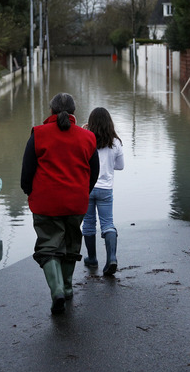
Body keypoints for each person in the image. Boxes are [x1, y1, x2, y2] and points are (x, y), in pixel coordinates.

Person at [20, 93, 99, 315]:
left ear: (51, 111)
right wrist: (83, 192)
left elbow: (27, 171)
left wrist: (30, 192)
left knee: (48, 247)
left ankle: (57, 291)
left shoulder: (39, 134)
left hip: (46, 202)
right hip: (76, 202)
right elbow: (94, 173)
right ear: (74, 112)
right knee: (71, 245)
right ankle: (67, 286)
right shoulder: (88, 138)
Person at [81, 107, 124, 276]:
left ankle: (92, 259)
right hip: (106, 189)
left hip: (88, 187)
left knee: (89, 224)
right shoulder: (115, 142)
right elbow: (120, 166)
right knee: (107, 224)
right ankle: (111, 258)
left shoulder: (86, 139)